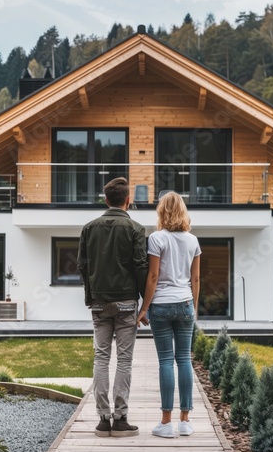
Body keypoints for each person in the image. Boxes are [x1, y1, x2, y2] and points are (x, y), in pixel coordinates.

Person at [77, 177, 148, 438]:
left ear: (106, 200)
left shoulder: (88, 228)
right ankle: (121, 419)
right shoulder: (136, 229)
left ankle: (102, 420)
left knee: (101, 358)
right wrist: (144, 304)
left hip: (98, 303)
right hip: (128, 303)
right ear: (128, 200)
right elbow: (141, 265)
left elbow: (82, 266)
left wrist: (89, 298)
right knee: (124, 360)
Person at [137, 191, 201, 438]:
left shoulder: (156, 238)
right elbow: (195, 278)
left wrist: (144, 308)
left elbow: (152, 277)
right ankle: (185, 421)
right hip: (185, 303)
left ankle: (166, 423)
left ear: (162, 211)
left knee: (165, 361)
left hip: (161, 306)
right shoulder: (192, 240)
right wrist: (193, 308)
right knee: (184, 360)